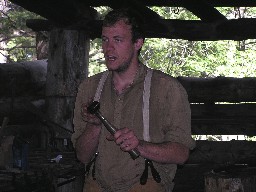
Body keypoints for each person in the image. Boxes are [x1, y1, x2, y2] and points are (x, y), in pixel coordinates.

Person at [71, 8, 195, 192]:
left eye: (118, 40)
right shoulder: (89, 88)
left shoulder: (167, 89)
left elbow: (181, 154)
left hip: (145, 184)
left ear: (138, 43)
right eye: (105, 40)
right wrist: (94, 126)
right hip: (97, 185)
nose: (108, 48)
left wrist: (140, 146)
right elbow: (82, 156)